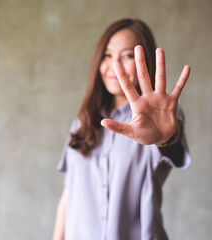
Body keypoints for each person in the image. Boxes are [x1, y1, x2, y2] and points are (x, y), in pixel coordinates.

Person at [52, 18, 191, 240]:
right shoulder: (83, 121)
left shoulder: (160, 118)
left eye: (127, 55)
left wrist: (165, 137)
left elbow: (169, 141)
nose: (114, 65)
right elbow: (69, 195)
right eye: (107, 55)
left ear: (144, 61)